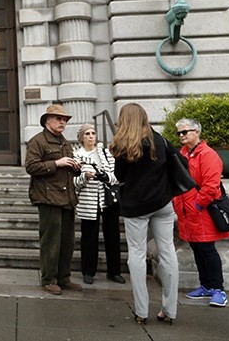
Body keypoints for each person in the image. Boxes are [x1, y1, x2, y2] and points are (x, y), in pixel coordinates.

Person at [110, 103, 178, 325]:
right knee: (168, 252)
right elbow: (180, 164)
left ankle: (141, 311)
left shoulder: (123, 144)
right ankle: (169, 310)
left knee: (136, 255)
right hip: (163, 203)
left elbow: (119, 176)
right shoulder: (161, 140)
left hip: (137, 206)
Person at [25, 104, 83, 295]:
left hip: (66, 196)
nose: (62, 122)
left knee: (67, 241)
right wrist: (56, 163)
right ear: (47, 120)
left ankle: (63, 278)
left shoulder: (64, 142)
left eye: (65, 120)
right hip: (48, 197)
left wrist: (76, 167)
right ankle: (49, 279)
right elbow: (31, 167)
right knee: (51, 241)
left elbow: (67, 166)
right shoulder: (38, 141)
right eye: (58, 119)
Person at [172, 118, 229, 308]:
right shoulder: (182, 154)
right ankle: (206, 285)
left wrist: (197, 205)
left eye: (185, 132)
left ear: (197, 132)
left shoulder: (208, 155)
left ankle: (218, 289)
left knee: (207, 249)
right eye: (179, 133)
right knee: (197, 249)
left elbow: (211, 186)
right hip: (187, 211)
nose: (181, 136)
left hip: (200, 211)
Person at [73, 123, 124, 285]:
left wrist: (105, 176)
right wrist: (84, 177)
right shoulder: (76, 156)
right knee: (89, 238)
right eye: (87, 133)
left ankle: (114, 271)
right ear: (81, 137)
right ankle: (88, 272)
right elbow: (73, 182)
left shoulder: (106, 153)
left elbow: (117, 177)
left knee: (113, 236)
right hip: (88, 201)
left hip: (108, 201)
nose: (90, 136)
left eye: (93, 133)